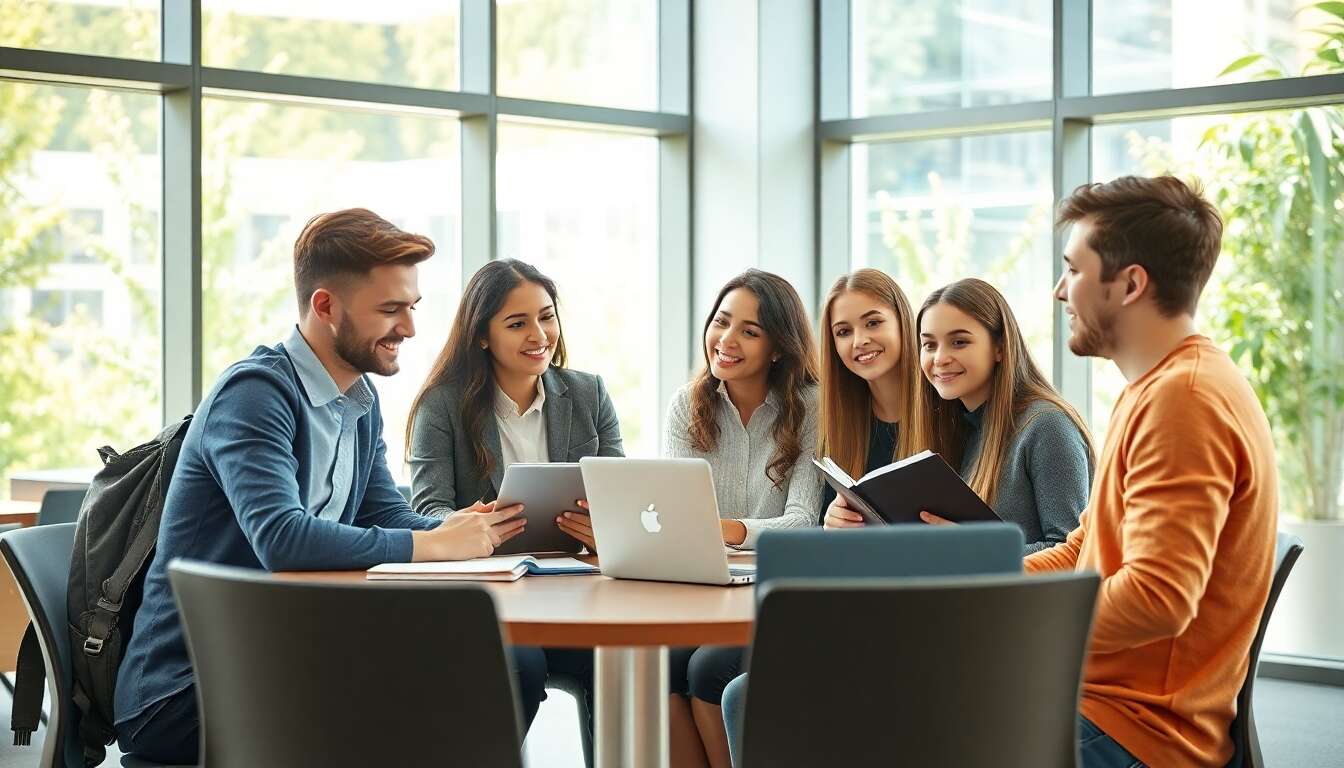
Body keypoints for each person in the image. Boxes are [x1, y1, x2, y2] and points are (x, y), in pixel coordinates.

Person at [114, 209, 529, 764]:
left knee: (508, 665)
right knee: (446, 692)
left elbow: (385, 514)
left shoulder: (358, 403)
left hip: (291, 657)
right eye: (389, 310)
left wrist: (470, 531)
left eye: (411, 307)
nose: (408, 328)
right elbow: (280, 539)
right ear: (325, 306)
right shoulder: (255, 394)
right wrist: (432, 545)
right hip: (189, 688)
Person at [1030, 175, 1277, 767]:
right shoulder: (1157, 387)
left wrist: (1011, 627)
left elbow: (1158, 598)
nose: (1061, 291)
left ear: (1130, 284)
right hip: (1094, 703)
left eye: (1075, 270)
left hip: (1132, 732)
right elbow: (1085, 547)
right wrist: (979, 590)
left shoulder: (1183, 399)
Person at [405, 257, 623, 743]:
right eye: (517, 323)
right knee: (517, 666)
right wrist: (469, 526)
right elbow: (426, 512)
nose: (539, 335)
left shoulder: (588, 394)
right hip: (490, 602)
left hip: (580, 593)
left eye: (546, 317)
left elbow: (622, 495)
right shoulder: (441, 405)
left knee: (622, 659)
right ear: (482, 335)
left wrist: (606, 526)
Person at [664, 268, 821, 768]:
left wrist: (728, 531)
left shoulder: (813, 407)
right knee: (661, 662)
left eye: (749, 332)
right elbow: (675, 517)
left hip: (779, 593)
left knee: (710, 668)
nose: (726, 340)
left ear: (778, 348)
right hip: (705, 590)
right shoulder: (686, 407)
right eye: (721, 322)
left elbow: (804, 522)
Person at [825, 277, 1093, 554]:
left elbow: (1074, 552)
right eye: (929, 345)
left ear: (1000, 347)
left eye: (959, 342)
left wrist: (973, 548)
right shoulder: (963, 429)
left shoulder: (1047, 425)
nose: (940, 358)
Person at [815, 269, 923, 522]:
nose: (859, 341)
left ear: (902, 322)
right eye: (843, 332)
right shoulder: (838, 428)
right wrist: (832, 525)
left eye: (873, 323)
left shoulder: (952, 413)